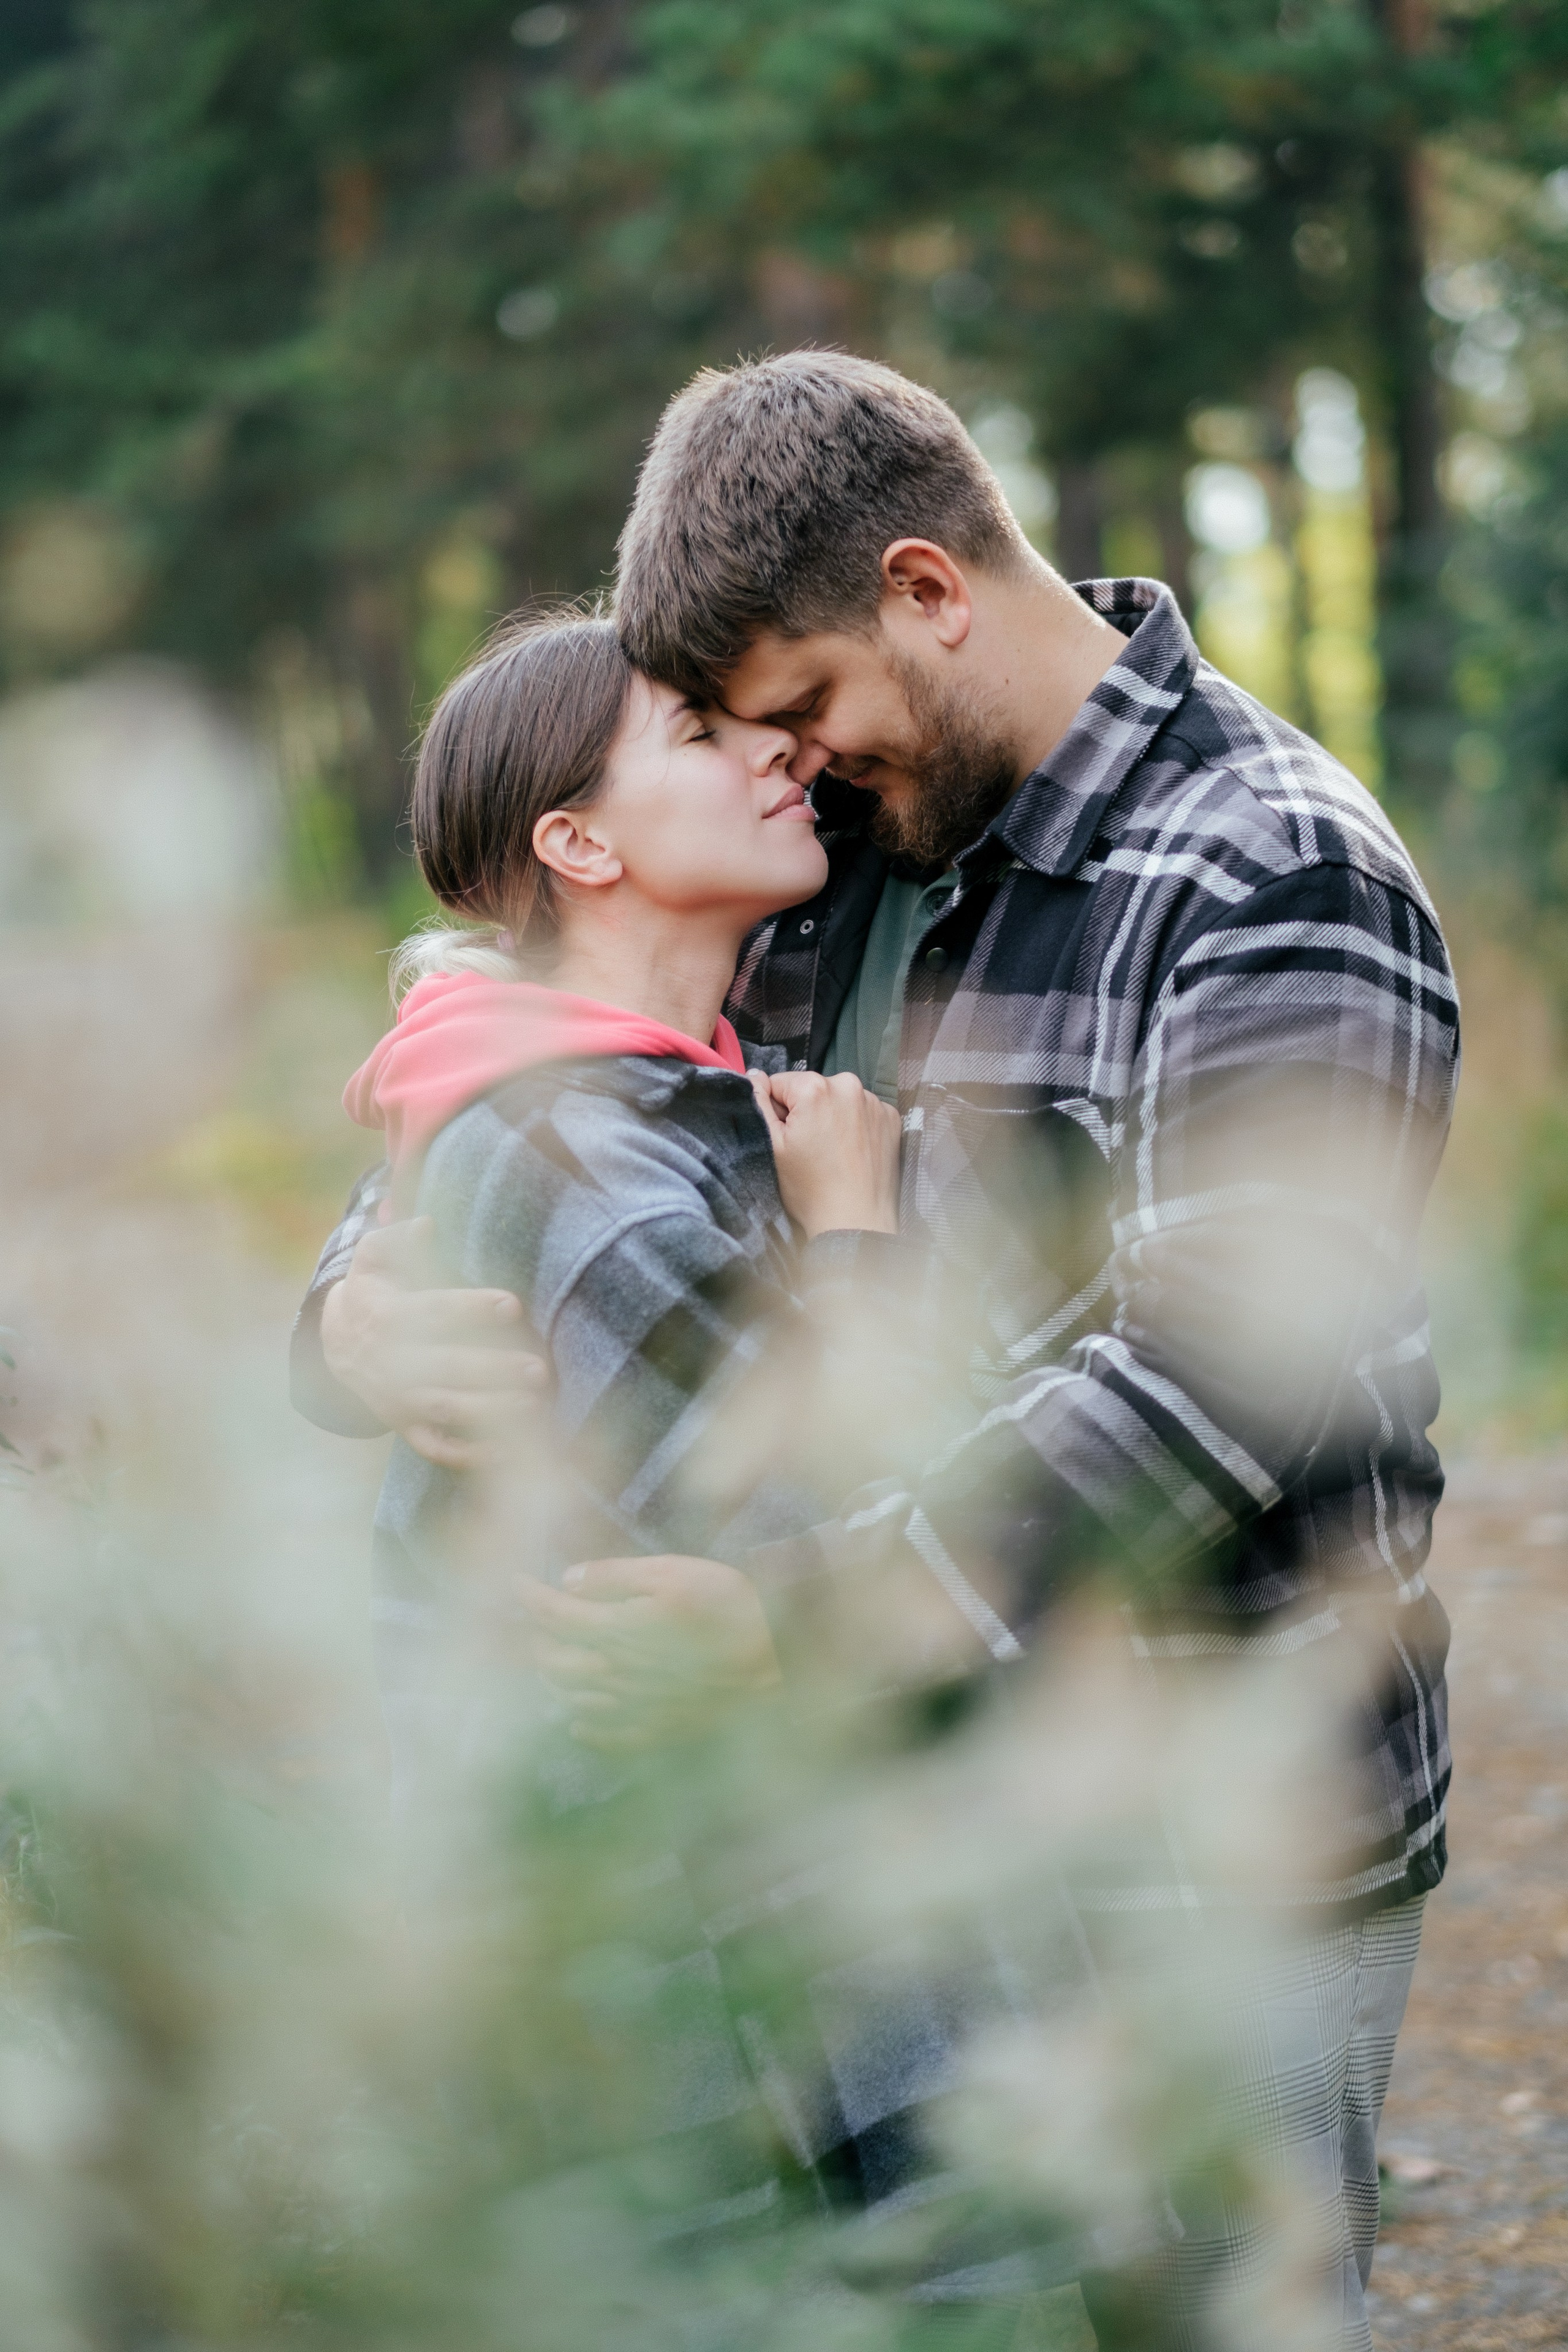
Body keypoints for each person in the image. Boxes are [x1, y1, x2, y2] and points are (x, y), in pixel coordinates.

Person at [296, 354, 1460, 2351]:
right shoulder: (850, 852)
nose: (797, 764)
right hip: (927, 1854)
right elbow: (571, 1067)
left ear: (928, 589)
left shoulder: (1274, 871)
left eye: (805, 710)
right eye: (754, 732)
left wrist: (814, 1620)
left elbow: (1218, 1389)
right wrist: (354, 1314)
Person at [340, 606, 1118, 2328]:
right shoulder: (589, 1157)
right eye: (698, 735)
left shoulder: (607, 1088)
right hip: (746, 1970)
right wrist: (853, 1240)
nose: (775, 745)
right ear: (579, 841)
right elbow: (851, 1530)